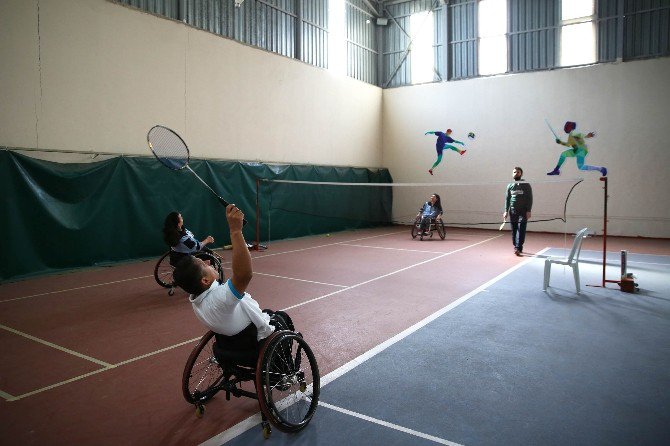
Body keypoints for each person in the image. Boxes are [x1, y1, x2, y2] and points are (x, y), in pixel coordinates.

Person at [173, 204, 279, 354]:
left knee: (268, 311)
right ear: (204, 280)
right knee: (282, 319)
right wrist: (236, 231)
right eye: (204, 264)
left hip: (229, 342)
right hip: (251, 342)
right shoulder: (219, 299)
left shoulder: (197, 300)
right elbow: (244, 275)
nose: (209, 262)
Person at [503, 167, 532, 256]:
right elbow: (507, 199)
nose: (516, 173)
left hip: (523, 211)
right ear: (512, 174)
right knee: (514, 229)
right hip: (513, 211)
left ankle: (518, 247)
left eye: (518, 172)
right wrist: (506, 211)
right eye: (514, 172)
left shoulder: (526, 184)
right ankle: (516, 246)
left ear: (521, 174)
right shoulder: (510, 185)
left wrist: (528, 210)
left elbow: (529, 198)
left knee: (521, 229)